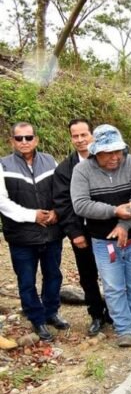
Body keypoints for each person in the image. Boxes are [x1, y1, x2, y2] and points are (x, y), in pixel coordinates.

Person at [71, 124, 131, 347]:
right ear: (96, 151)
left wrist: (124, 225)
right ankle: (124, 328)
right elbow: (80, 204)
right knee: (113, 285)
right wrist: (114, 211)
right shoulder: (82, 171)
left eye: (118, 151)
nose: (116, 157)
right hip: (103, 241)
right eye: (109, 152)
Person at [0, 122, 66, 342]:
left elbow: (60, 189)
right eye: (19, 138)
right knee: (27, 280)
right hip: (21, 236)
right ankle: (37, 319)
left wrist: (57, 211)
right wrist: (32, 216)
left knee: (53, 274)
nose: (24, 142)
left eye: (28, 137)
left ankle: (51, 312)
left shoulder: (50, 161)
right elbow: (2, 202)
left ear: (36, 139)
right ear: (12, 141)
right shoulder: (4, 165)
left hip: (51, 231)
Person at [52, 119, 110, 337]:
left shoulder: (105, 160)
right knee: (88, 275)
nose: (80, 140)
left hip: (107, 229)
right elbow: (62, 203)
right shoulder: (65, 169)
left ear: (92, 136)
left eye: (84, 135)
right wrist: (74, 233)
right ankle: (96, 314)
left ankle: (115, 312)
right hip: (82, 231)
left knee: (111, 272)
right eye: (75, 136)